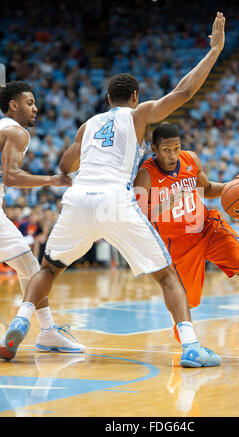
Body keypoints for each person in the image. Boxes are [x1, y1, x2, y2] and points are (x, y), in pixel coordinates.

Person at [0, 12, 226, 367]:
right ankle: (192, 346)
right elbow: (184, 92)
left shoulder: (88, 124)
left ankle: (21, 320)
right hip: (114, 199)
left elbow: (64, 167)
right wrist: (213, 51)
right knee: (167, 275)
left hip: (77, 199)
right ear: (134, 97)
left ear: (107, 98)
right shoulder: (137, 115)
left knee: (47, 270)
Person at [133, 123, 239, 349]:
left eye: (177, 148)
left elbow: (208, 187)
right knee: (185, 300)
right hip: (177, 242)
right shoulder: (145, 174)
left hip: (206, 226)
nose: (173, 155)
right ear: (154, 148)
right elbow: (138, 214)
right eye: (166, 150)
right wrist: (168, 201)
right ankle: (184, 332)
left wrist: (234, 186)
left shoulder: (190, 160)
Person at [0, 81, 85, 353]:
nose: (36, 108)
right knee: (32, 269)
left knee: (29, 268)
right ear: (13, 105)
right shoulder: (16, 132)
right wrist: (51, 179)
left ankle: (45, 332)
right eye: (29, 102)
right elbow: (11, 177)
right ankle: (47, 332)